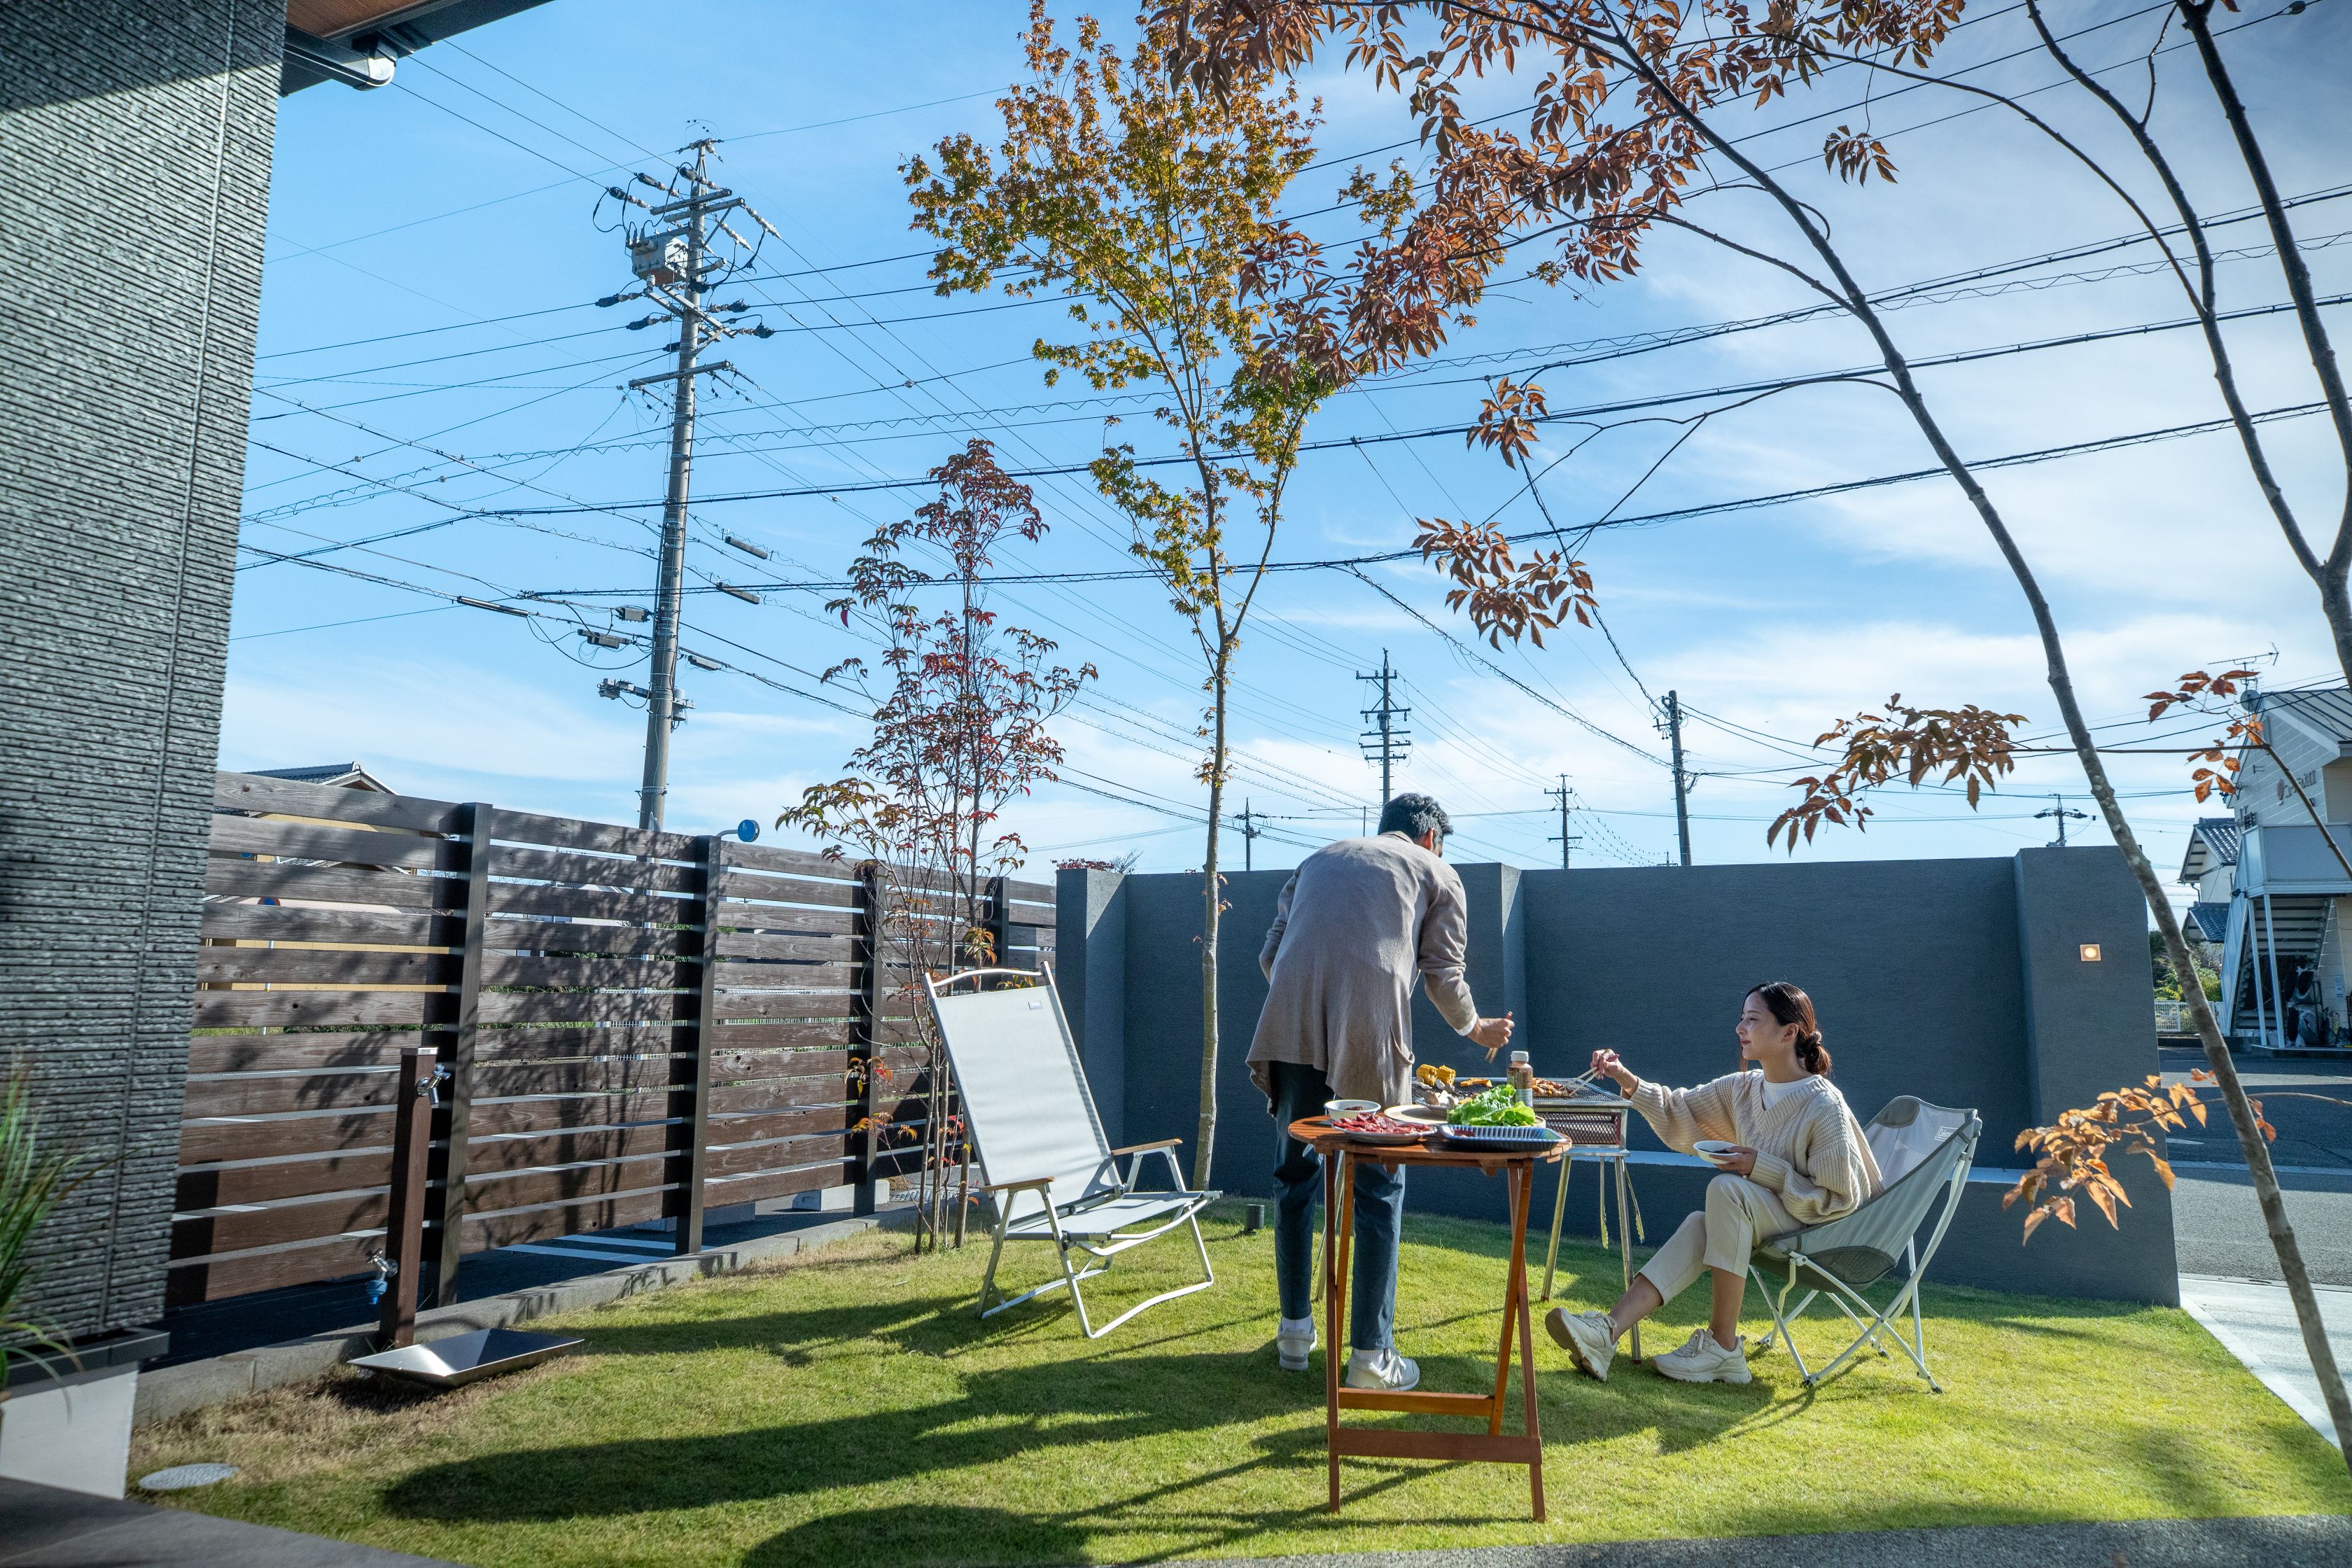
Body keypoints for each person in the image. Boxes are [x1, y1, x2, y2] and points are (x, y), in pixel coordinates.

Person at [1247, 793, 1516, 1392]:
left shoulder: (1318, 860)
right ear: (1430, 839)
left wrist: (1312, 998)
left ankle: (1294, 1332)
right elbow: (1443, 975)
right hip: (1370, 1027)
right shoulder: (1437, 871)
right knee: (1378, 1182)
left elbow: (1270, 955)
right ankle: (1370, 1356)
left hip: (1288, 1021)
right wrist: (1477, 1029)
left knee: (1294, 1174)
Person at [1546, 982, 1879, 1385]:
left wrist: (1762, 1167)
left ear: (1789, 1032)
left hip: (1821, 1232)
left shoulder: (1824, 1105)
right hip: (1770, 1220)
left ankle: (1723, 1346)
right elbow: (1679, 1108)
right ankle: (1607, 1333)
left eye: (1753, 1019)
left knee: (1727, 1190)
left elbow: (1838, 1200)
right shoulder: (1744, 1088)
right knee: (1702, 1224)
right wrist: (1625, 1078)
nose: (1740, 1028)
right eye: (1741, 1018)